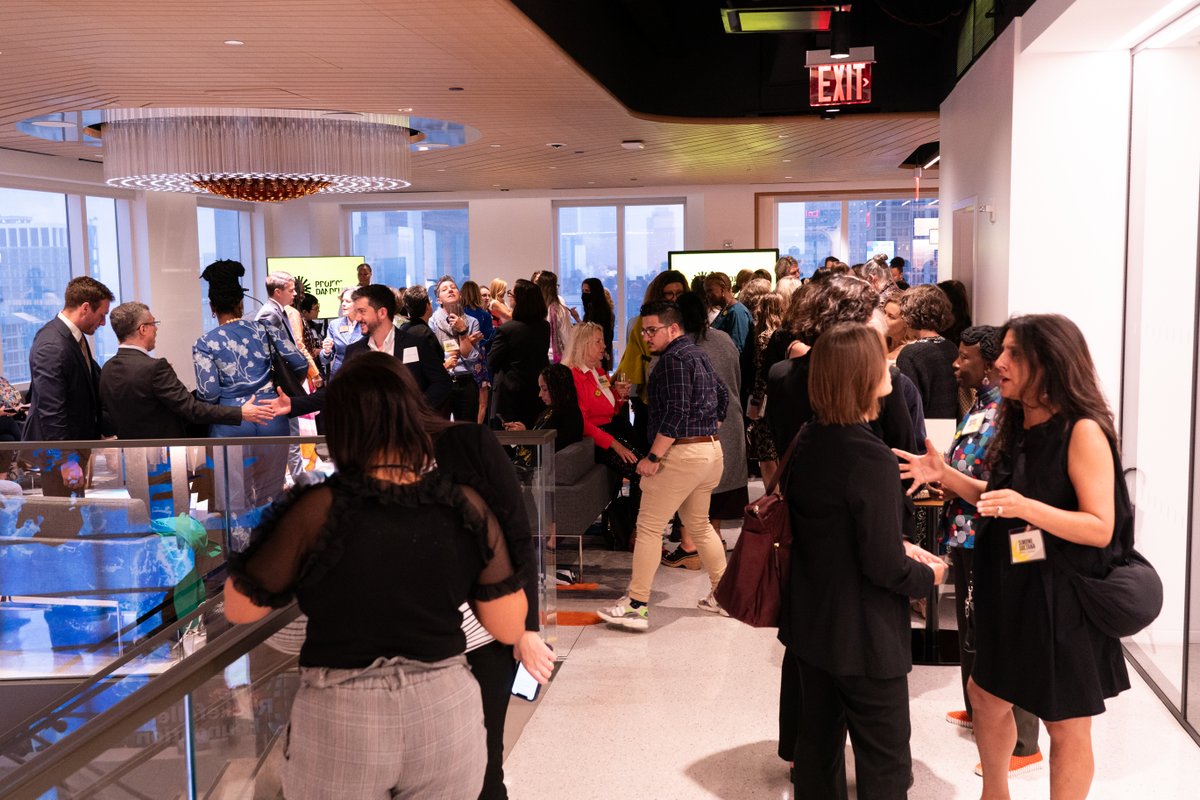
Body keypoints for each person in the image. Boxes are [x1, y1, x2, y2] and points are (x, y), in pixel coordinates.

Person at [223, 353, 534, 800]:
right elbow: (506, 623)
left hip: (343, 711)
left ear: (343, 427)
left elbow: (240, 606)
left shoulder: (318, 508)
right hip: (442, 704)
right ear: (412, 414)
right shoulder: (464, 505)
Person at [896, 314, 1132, 799]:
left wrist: (1028, 508)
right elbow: (998, 496)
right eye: (1001, 351)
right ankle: (995, 793)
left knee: (1065, 725)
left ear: (1048, 363)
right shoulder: (1016, 421)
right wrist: (944, 474)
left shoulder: (1082, 431)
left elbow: (1099, 525)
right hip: (1014, 584)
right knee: (985, 696)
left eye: (1013, 354)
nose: (998, 363)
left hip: (1063, 598)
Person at [783, 322, 944, 799]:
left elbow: (836, 535)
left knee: (817, 749)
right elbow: (883, 568)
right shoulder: (869, 456)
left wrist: (895, 548)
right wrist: (931, 572)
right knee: (885, 761)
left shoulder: (811, 440)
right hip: (864, 635)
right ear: (862, 374)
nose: (890, 365)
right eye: (882, 359)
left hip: (813, 625)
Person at [935, 324, 1044, 777]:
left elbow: (1001, 491)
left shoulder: (1015, 414)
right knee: (971, 627)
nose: (957, 365)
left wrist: (943, 476)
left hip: (993, 536)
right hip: (966, 533)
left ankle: (1023, 743)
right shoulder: (983, 403)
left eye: (965, 358)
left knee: (1001, 635)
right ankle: (979, 710)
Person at [597, 300, 729, 630]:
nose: (646, 337)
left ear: (673, 328)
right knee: (699, 524)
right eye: (643, 331)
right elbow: (723, 396)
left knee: (650, 527)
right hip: (710, 452)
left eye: (652, 330)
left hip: (681, 455)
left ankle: (636, 604)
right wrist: (709, 427)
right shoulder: (698, 354)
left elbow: (676, 413)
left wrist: (653, 457)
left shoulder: (672, 360)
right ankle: (725, 595)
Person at [194, 260, 307, 506]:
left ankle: (239, 545)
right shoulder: (267, 330)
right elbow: (300, 364)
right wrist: (279, 390)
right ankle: (270, 542)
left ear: (212, 307)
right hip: (272, 417)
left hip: (232, 424)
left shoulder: (205, 343)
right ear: (240, 303)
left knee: (234, 502)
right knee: (271, 497)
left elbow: (208, 394)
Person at [100, 302, 273, 438]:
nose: (157, 328)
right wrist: (240, 413)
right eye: (153, 323)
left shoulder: (107, 368)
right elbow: (192, 410)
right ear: (143, 329)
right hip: (163, 456)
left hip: (129, 457)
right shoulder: (155, 368)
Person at [662, 292, 746, 567]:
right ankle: (715, 538)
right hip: (730, 422)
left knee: (690, 487)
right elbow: (736, 379)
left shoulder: (679, 348)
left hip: (696, 429)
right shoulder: (724, 340)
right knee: (720, 489)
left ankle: (690, 546)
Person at [24, 275, 115, 497]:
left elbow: (90, 383)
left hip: (74, 447)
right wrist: (66, 460)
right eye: (101, 315)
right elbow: (50, 409)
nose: (103, 323)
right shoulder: (52, 344)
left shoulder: (73, 337)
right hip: (59, 454)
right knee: (64, 523)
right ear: (85, 308)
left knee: (74, 519)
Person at [345, 284, 452, 411]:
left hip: (410, 428)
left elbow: (442, 383)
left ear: (382, 313)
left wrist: (416, 410)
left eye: (362, 312)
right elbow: (345, 392)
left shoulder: (417, 345)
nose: (357, 318)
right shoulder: (353, 352)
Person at [616, 270, 688, 447]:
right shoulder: (638, 323)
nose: (674, 298)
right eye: (669, 294)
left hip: (678, 393)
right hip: (648, 395)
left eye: (679, 294)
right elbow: (633, 360)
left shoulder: (688, 321)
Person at [561, 322, 639, 480]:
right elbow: (581, 423)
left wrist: (618, 395)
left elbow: (611, 409)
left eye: (603, 341)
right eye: (598, 342)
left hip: (615, 428)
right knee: (641, 470)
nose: (604, 346)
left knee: (646, 464)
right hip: (597, 437)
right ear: (583, 344)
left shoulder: (599, 372)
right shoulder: (572, 376)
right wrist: (615, 444)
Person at [489, 279, 551, 428]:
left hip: (511, 396)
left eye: (511, 293)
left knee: (509, 443)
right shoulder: (544, 326)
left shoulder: (508, 329)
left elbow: (491, 361)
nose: (508, 295)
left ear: (520, 299)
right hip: (535, 392)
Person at [895, 284, 959, 419]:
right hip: (950, 429)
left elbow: (908, 407)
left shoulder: (910, 354)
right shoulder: (950, 346)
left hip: (924, 432)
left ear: (908, 313)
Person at [431, 276, 483, 422]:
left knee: (466, 432)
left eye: (453, 287)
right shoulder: (432, 322)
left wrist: (462, 331)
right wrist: (468, 341)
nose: (450, 290)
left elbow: (471, 357)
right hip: (442, 380)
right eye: (445, 289)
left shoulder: (472, 322)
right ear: (439, 300)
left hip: (466, 380)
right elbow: (435, 355)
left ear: (459, 294)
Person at [747, 291, 784, 486]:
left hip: (765, 403)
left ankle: (772, 498)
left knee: (766, 454)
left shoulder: (763, 337)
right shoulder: (784, 335)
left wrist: (755, 403)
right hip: (781, 401)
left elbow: (762, 374)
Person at [501, 363, 583, 452]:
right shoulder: (553, 409)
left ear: (558, 388)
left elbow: (547, 450)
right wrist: (523, 433)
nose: (540, 394)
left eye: (544, 389)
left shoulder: (568, 415)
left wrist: (524, 435)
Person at [460, 281, 496, 424]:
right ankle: (479, 428)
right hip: (480, 358)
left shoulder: (458, 315)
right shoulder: (484, 316)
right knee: (482, 402)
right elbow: (488, 338)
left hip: (463, 359)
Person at [704, 272, 752, 354]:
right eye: (706, 292)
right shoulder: (726, 309)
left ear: (722, 288)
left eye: (710, 291)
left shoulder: (737, 312)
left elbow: (737, 348)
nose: (707, 295)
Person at [320, 287, 363, 378]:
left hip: (361, 374)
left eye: (347, 301)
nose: (343, 304)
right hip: (339, 375)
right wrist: (326, 351)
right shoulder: (334, 325)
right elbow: (325, 360)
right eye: (342, 301)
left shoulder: (366, 324)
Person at [535, 271, 573, 364]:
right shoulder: (559, 309)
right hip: (555, 356)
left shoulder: (534, 307)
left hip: (537, 355)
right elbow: (566, 335)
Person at [580, 277, 614, 371]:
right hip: (591, 355)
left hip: (597, 355)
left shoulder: (601, 311)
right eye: (583, 291)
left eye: (587, 291)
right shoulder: (590, 309)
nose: (584, 294)